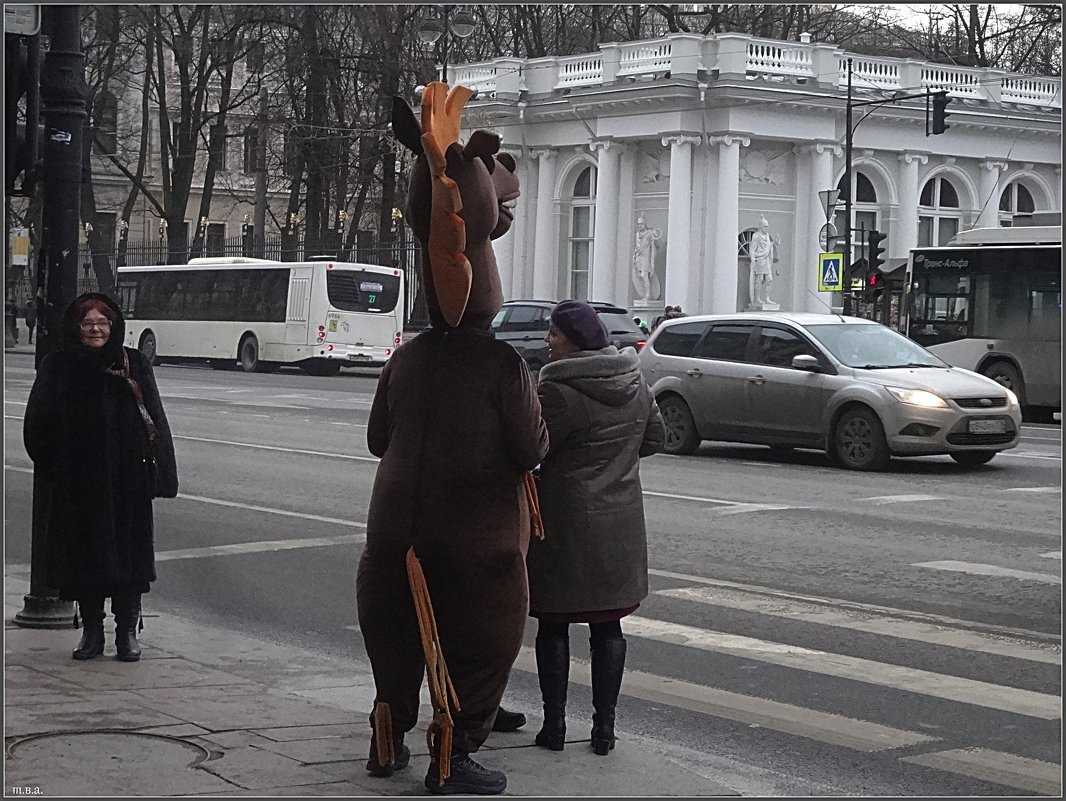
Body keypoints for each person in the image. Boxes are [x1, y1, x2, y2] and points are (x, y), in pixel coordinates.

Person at [357, 84, 549, 796]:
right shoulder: (503, 362)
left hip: (394, 525)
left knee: (395, 628)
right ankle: (454, 750)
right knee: (482, 638)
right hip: (478, 536)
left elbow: (379, 438)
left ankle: (387, 732)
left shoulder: (406, 357)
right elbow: (531, 449)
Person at [526, 300, 665, 757]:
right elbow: (655, 439)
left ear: (575, 339)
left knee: (554, 623)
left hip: (564, 520)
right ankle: (604, 729)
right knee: (608, 626)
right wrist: (616, 465)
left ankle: (555, 726)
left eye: (554, 333)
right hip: (620, 523)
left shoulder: (558, 390)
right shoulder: (634, 381)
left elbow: (532, 450)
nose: (548, 341)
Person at [23, 292, 178, 663]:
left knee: (129, 561)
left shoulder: (133, 363)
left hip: (127, 479)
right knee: (84, 560)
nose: (95, 330)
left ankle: (127, 632)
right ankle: (92, 632)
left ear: (114, 326)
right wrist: (55, 464)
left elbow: (154, 416)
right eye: (88, 323)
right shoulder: (58, 365)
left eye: (102, 323)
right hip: (78, 483)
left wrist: (163, 473)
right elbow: (36, 424)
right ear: (76, 328)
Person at [632, 216, 663, 301]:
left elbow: (655, 245)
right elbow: (637, 246)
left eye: (641, 224)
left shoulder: (649, 233)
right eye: (638, 224)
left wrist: (652, 262)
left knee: (644, 275)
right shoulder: (638, 234)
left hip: (646, 257)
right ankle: (645, 294)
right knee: (640, 275)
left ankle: (648, 295)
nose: (639, 226)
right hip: (639, 257)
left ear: (645, 224)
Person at [749, 215, 776, 306]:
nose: (767, 228)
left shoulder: (767, 236)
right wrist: (753, 260)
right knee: (759, 280)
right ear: (761, 227)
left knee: (770, 280)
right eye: (765, 226)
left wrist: (775, 243)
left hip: (766, 260)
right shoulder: (756, 236)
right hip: (759, 259)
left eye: (767, 226)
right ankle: (757, 299)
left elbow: (768, 246)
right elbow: (752, 249)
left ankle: (767, 298)